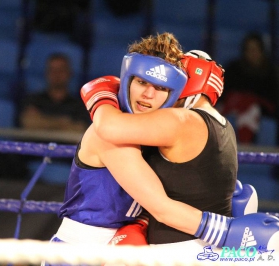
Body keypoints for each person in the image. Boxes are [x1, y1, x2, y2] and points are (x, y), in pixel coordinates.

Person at [42, 33, 278, 266]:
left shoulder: (150, 135)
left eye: (160, 87)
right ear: (127, 81)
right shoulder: (110, 136)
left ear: (174, 96)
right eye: (142, 82)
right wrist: (227, 230)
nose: (148, 94)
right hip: (78, 254)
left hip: (121, 249)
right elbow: (161, 206)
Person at [219, 32, 279, 144]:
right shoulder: (233, 69)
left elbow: (273, 103)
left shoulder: (271, 73)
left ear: (262, 51)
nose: (253, 53)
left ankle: (265, 159)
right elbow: (224, 96)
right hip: (234, 115)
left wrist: (254, 106)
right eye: (249, 49)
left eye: (256, 49)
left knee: (268, 124)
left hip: (264, 117)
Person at [19, 52, 90, 133]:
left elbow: (80, 130)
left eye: (61, 70)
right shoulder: (33, 100)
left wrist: (43, 121)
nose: (57, 74)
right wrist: (62, 123)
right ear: (46, 73)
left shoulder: (79, 105)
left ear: (70, 73)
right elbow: (28, 124)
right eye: (52, 70)